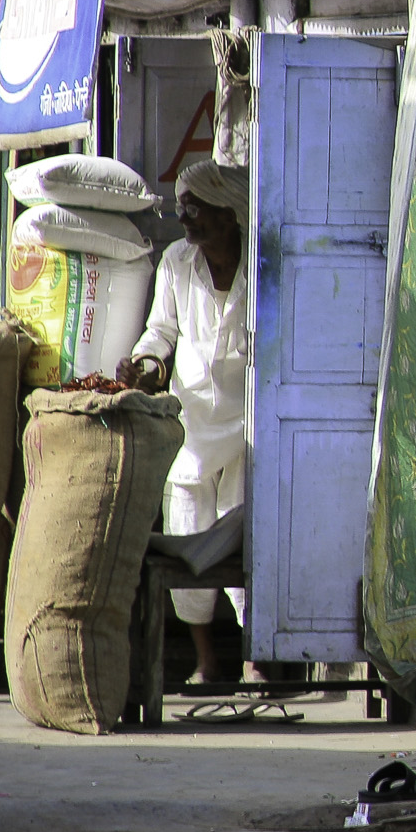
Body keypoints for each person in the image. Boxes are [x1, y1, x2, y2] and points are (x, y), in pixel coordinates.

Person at [118, 160, 251, 686]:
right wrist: (145, 365)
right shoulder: (176, 262)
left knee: (246, 539)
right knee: (190, 534)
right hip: (192, 425)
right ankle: (206, 661)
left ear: (229, 212)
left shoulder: (256, 263)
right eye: (183, 208)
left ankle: (254, 657)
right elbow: (160, 332)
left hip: (247, 426)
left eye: (196, 208)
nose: (186, 218)